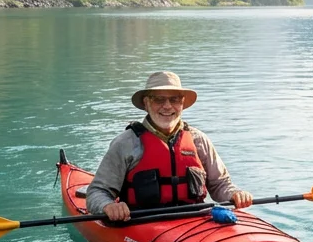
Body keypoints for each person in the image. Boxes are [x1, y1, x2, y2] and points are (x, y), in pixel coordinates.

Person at [85, 71, 252, 222]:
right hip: (141, 222)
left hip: (194, 220)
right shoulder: (126, 143)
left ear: (182, 103)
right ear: (146, 103)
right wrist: (108, 206)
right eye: (159, 99)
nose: (167, 106)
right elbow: (98, 192)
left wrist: (234, 193)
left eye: (174, 99)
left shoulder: (198, 140)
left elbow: (219, 184)